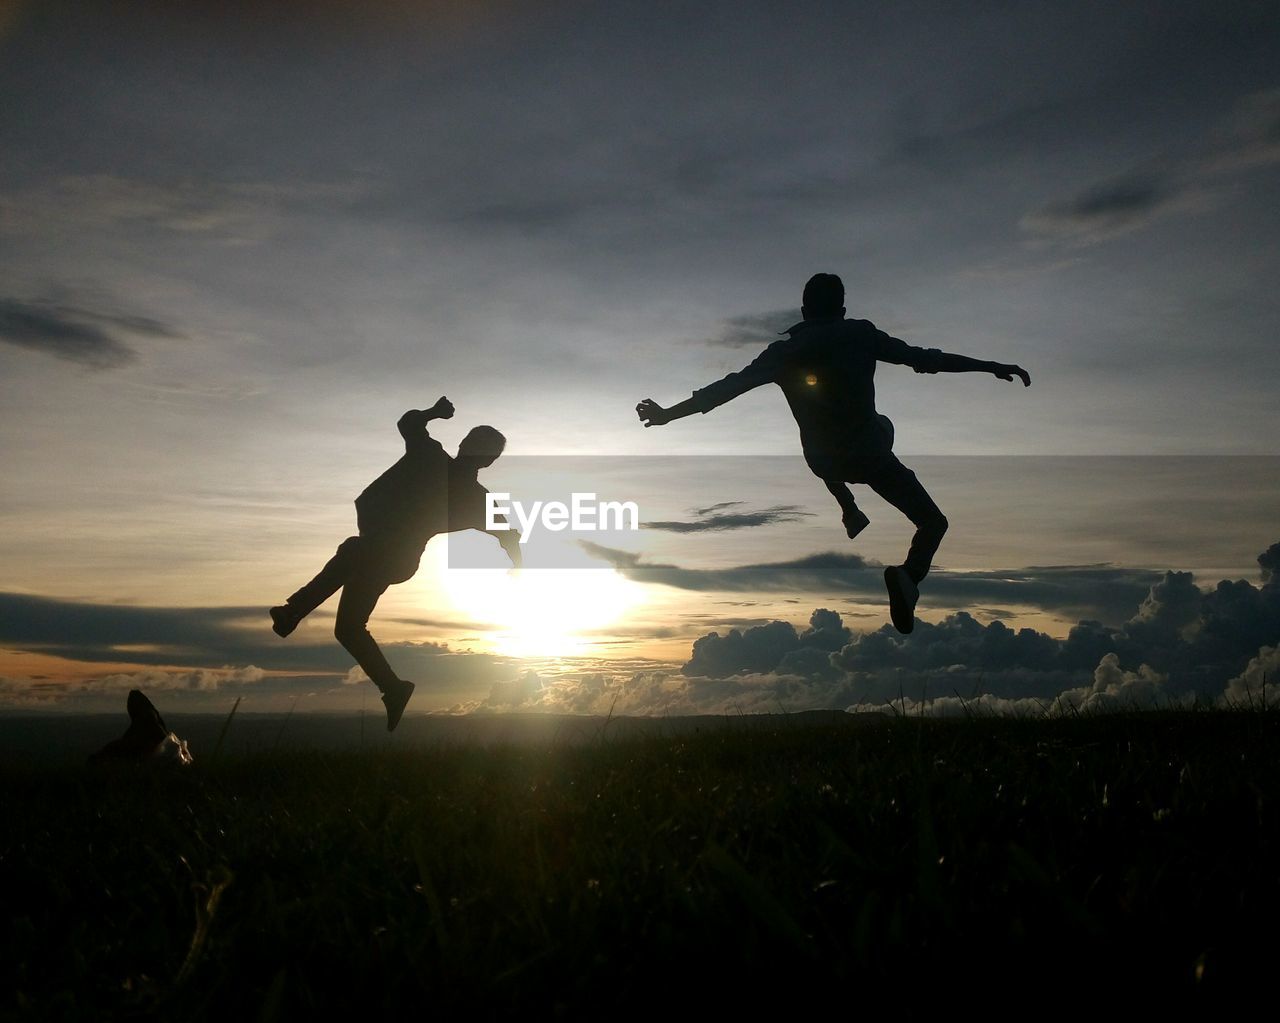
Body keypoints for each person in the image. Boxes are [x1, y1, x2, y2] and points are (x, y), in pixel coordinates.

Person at [636, 273, 1030, 634]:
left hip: (822, 459)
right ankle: (908, 577)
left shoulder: (783, 353)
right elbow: (926, 359)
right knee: (932, 521)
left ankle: (848, 507)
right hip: (870, 455)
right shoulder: (861, 335)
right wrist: (989, 366)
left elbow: (728, 387)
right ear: (842, 311)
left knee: (821, 440)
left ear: (804, 311)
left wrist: (668, 415)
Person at [270, 397, 521, 730]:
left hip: (396, 558)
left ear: (487, 460)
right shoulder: (433, 459)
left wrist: (519, 566)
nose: (470, 448)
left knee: (353, 550)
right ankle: (394, 688)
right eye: (470, 442)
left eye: (478, 448)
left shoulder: (470, 493)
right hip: (385, 554)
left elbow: (508, 534)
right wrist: (433, 413)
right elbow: (409, 424)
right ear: (465, 444)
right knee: (347, 628)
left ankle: (292, 612)